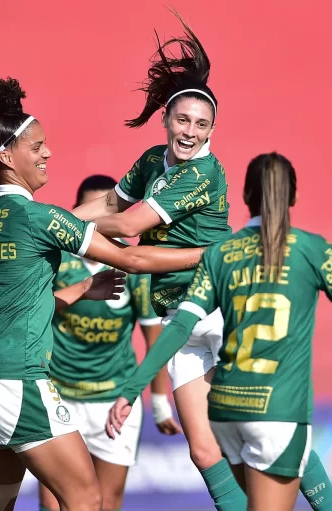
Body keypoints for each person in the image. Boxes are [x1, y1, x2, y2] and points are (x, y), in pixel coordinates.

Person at [0, 76, 205, 511]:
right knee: (88, 499)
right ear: (6, 156)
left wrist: (81, 290)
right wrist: (211, 254)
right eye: (37, 148)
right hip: (19, 377)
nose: (48, 153)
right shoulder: (39, 217)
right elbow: (131, 258)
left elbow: (20, 302)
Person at [108, 152, 332, 511]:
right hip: (277, 407)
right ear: (293, 198)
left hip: (226, 408)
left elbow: (180, 325)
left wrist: (131, 389)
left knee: (223, 471)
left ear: (245, 197)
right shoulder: (312, 249)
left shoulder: (220, 255)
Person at [71, 12, 245, 510]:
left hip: (221, 308)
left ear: (213, 129)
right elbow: (110, 206)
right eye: (184, 120)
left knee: (263, 436)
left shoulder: (203, 174)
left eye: (202, 124)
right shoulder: (152, 160)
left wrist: (62, 232)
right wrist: (51, 219)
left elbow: (129, 232)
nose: (191, 132)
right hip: (180, 319)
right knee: (204, 450)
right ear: (167, 118)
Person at [38, 175, 182, 511]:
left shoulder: (134, 265)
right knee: (54, 503)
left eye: (111, 213)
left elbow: (154, 338)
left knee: (105, 502)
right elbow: (35, 315)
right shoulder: (57, 262)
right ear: (78, 216)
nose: (101, 223)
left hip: (114, 401)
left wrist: (160, 402)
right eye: (93, 214)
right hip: (60, 398)